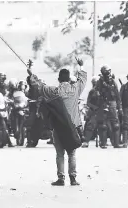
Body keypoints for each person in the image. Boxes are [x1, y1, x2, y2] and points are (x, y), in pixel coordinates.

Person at [27, 58, 86, 186]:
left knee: (60, 154)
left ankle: (61, 178)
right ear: (69, 79)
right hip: (73, 127)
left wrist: (31, 73)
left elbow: (38, 86)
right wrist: (81, 66)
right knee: (72, 153)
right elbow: (82, 80)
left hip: (58, 127)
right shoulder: (75, 90)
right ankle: (73, 178)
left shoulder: (53, 91)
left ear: (59, 79)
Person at [82, 76, 101, 148]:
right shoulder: (92, 91)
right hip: (93, 111)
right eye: (94, 83)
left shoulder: (103, 90)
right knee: (89, 125)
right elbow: (88, 102)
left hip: (103, 111)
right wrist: (94, 107)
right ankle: (86, 141)